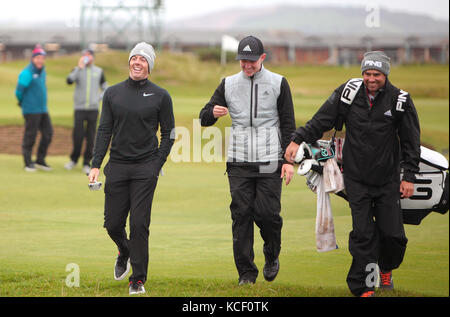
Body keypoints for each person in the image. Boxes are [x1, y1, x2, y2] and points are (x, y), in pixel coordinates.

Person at [284, 51, 421, 297]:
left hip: (387, 180)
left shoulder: (399, 100)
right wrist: (297, 139)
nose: (371, 79)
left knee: (393, 235)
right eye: (367, 74)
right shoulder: (348, 92)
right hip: (356, 179)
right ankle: (364, 288)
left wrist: (408, 176)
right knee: (363, 234)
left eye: (376, 74)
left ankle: (386, 267)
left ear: (385, 75)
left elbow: (411, 142)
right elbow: (321, 119)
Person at [199, 36, 296, 285]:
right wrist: (212, 112)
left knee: (268, 215)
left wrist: (289, 161)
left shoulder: (278, 83)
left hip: (270, 159)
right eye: (243, 60)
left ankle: (272, 254)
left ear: (262, 58)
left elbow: (288, 124)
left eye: (251, 61)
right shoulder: (228, 84)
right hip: (239, 161)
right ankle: (246, 274)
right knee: (241, 216)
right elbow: (204, 117)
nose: (247, 65)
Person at [88, 42, 175, 295]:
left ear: (149, 65)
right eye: (134, 58)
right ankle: (123, 250)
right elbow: (104, 130)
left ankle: (137, 279)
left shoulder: (161, 95)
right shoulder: (113, 93)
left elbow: (169, 133)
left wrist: (156, 164)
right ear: (129, 62)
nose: (137, 62)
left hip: (145, 169)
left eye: (143, 59)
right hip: (117, 166)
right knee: (112, 224)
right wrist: (95, 164)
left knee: (139, 225)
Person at [65, 49, 108, 175]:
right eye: (84, 55)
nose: (86, 57)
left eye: (88, 55)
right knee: (77, 136)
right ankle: (73, 160)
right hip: (79, 108)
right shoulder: (77, 69)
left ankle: (86, 163)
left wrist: (98, 98)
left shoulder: (98, 71)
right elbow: (69, 81)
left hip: (93, 109)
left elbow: (106, 88)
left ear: (93, 57)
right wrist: (79, 67)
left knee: (91, 137)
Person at [15, 44, 53, 172]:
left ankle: (40, 160)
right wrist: (23, 102)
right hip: (31, 110)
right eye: (37, 58)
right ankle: (28, 162)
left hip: (42, 109)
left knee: (48, 134)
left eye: (42, 58)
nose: (40, 60)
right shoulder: (27, 72)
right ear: (33, 59)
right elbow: (18, 92)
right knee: (30, 136)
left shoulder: (42, 71)